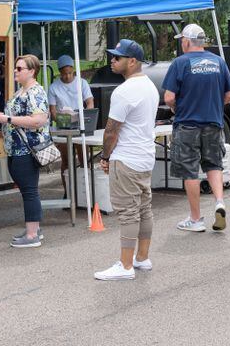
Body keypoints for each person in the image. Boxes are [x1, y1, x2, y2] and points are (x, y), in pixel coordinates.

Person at [93, 40, 159, 281]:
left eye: (118, 57)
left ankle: (125, 265)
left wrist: (105, 156)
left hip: (126, 158)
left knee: (128, 213)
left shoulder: (124, 91)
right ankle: (142, 258)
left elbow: (111, 131)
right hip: (144, 156)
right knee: (144, 209)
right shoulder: (150, 86)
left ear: (132, 61)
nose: (112, 60)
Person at [162, 24, 230, 232]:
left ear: (186, 41)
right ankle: (219, 201)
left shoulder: (180, 62)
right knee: (214, 165)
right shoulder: (219, 62)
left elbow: (169, 97)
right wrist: (211, 103)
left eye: (181, 41)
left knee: (190, 171)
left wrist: (179, 106)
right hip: (213, 122)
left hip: (187, 124)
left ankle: (196, 219)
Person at [0, 54, 51, 248]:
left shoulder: (35, 92)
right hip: (16, 149)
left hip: (26, 149)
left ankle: (32, 235)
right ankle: (34, 229)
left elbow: (38, 120)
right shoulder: (22, 92)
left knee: (30, 191)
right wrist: (2, 117)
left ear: (32, 71)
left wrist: (7, 119)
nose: (15, 71)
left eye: (19, 68)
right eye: (15, 68)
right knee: (28, 191)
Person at [48, 54, 94, 192]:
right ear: (60, 73)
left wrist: (86, 115)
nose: (67, 76)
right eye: (64, 74)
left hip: (80, 124)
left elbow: (90, 102)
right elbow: (53, 111)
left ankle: (85, 190)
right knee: (66, 161)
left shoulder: (82, 83)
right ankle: (68, 191)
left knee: (84, 159)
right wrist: (63, 119)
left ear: (73, 70)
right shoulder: (54, 87)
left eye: (69, 73)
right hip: (63, 126)